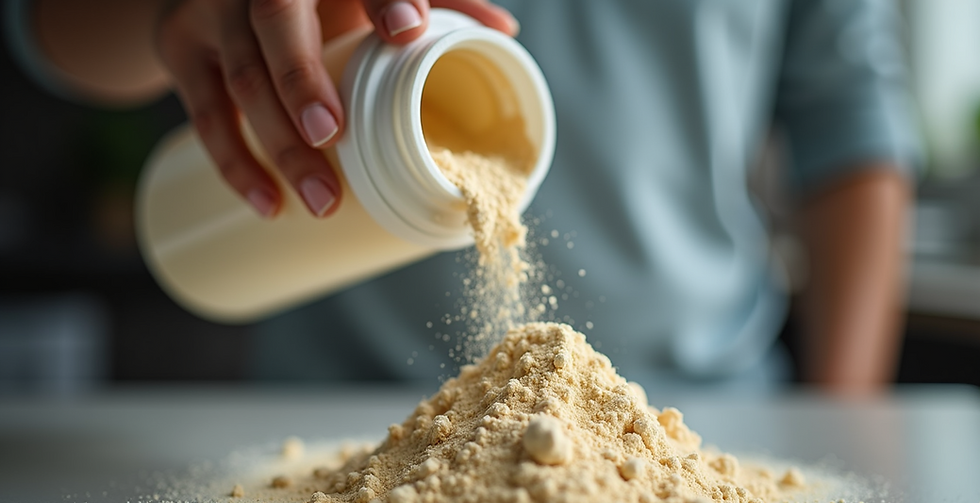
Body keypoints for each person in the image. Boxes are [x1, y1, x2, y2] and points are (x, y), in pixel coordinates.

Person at [8, 0, 919, 395]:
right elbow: (50, 36)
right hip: (340, 439)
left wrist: (838, 421)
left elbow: (853, 128)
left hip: (705, 411)